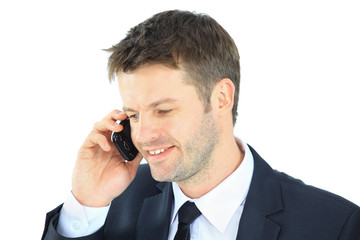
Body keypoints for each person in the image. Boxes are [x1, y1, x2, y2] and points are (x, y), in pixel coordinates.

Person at [42, 10, 360, 240]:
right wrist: (83, 205)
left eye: (163, 110)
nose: (141, 135)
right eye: (134, 115)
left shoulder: (333, 225)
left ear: (221, 97)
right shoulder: (108, 204)